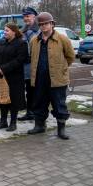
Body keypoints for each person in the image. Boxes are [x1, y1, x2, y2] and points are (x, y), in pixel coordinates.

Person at [27, 12, 75, 140]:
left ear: (52, 24)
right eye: (41, 24)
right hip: (39, 79)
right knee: (39, 103)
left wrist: (62, 68)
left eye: (46, 23)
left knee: (59, 104)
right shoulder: (34, 40)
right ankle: (40, 126)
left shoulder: (62, 39)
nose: (43, 26)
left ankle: (61, 130)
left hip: (57, 79)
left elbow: (70, 57)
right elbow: (31, 57)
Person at [0, 23, 29, 131]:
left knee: (13, 100)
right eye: (4, 30)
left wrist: (4, 68)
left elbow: (20, 60)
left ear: (14, 32)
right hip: (0, 77)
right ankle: (3, 121)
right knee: (2, 99)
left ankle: (13, 123)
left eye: (7, 30)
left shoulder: (21, 44)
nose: (4, 32)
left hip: (14, 78)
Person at [18, 7, 39, 121]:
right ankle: (30, 113)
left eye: (28, 16)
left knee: (37, 91)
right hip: (25, 67)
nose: (26, 18)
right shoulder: (22, 30)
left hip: (36, 66)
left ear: (34, 16)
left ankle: (37, 113)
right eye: (24, 16)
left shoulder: (39, 29)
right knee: (29, 91)